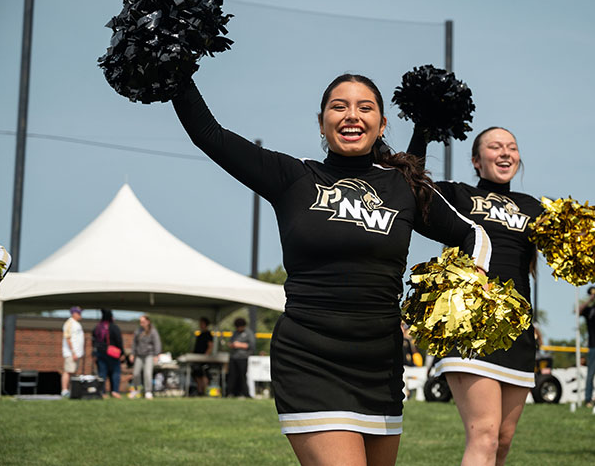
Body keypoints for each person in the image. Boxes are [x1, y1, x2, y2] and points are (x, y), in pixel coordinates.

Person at [171, 74, 491, 465]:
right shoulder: (294, 177)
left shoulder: (404, 187)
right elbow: (209, 135)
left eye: (365, 107)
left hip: (380, 365)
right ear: (321, 121)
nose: (351, 116)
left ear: (382, 123)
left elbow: (473, 236)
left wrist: (465, 291)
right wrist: (177, 69)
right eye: (339, 106)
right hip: (311, 359)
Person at [408, 126, 542, 466]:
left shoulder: (534, 208)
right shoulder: (458, 193)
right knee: (483, 433)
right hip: (469, 320)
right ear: (476, 160)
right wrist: (422, 130)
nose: (506, 152)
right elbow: (409, 186)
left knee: (502, 442)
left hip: (517, 329)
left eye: (512, 146)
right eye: (495, 146)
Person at [92, 309, 124, 398]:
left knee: (102, 373)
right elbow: (119, 341)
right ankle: (115, 391)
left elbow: (94, 342)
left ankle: (102, 392)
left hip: (100, 353)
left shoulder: (97, 327)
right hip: (113, 354)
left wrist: (94, 354)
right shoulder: (114, 327)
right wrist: (122, 353)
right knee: (115, 372)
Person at [129, 315, 161, 400]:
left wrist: (156, 355)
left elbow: (157, 343)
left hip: (149, 355)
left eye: (143, 322)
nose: (141, 323)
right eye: (140, 322)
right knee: (135, 373)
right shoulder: (138, 331)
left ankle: (148, 391)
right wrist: (132, 354)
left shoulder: (153, 331)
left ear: (147, 322)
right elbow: (134, 343)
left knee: (147, 373)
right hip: (139, 355)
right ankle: (137, 390)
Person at [226, 317, 255, 398]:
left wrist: (239, 345)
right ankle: (230, 393)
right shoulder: (235, 333)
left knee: (242, 376)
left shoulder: (249, 333)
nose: (238, 328)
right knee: (232, 375)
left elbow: (251, 345)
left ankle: (244, 393)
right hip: (233, 357)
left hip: (243, 357)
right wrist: (232, 345)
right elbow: (230, 343)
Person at [61, 306, 84, 398]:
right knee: (68, 371)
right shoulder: (69, 323)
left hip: (76, 353)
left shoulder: (77, 324)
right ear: (74, 313)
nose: (80, 315)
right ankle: (64, 390)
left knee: (73, 372)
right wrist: (73, 352)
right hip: (71, 353)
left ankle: (72, 390)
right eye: (78, 313)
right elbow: (67, 338)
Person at [193, 317, 214, 396]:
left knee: (204, 374)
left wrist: (205, 356)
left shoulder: (208, 334)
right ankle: (200, 391)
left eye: (202, 323)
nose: (200, 325)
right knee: (197, 374)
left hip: (204, 358)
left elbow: (210, 346)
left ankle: (205, 391)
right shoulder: (200, 334)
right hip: (197, 358)